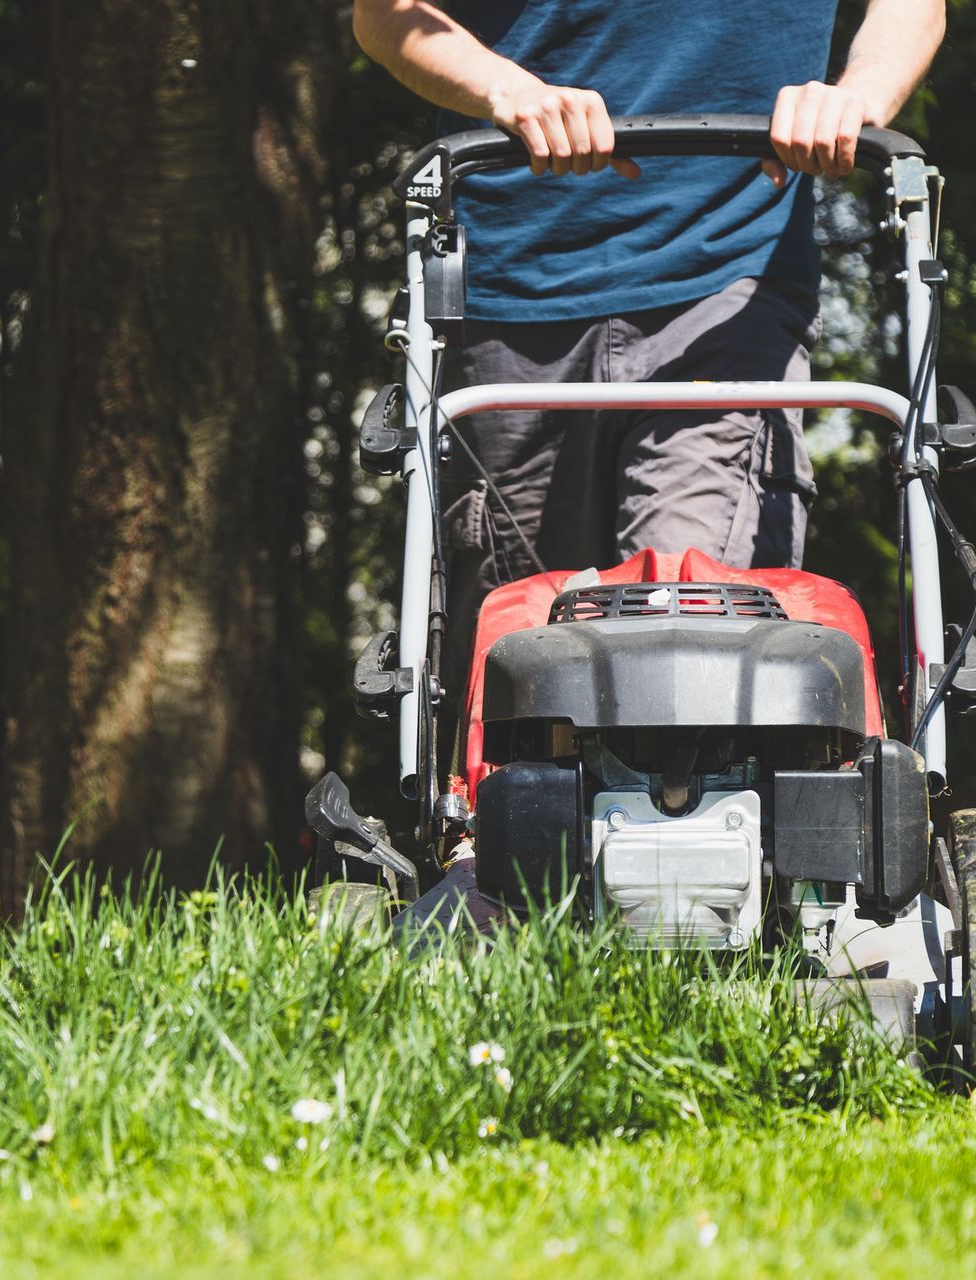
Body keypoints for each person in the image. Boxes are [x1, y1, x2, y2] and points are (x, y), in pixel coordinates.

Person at [351, 0, 944, 925]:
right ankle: (516, 921)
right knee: (524, 648)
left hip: (730, 272)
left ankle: (719, 932)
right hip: (515, 278)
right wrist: (509, 91)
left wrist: (855, 97)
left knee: (691, 607)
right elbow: (385, 14)